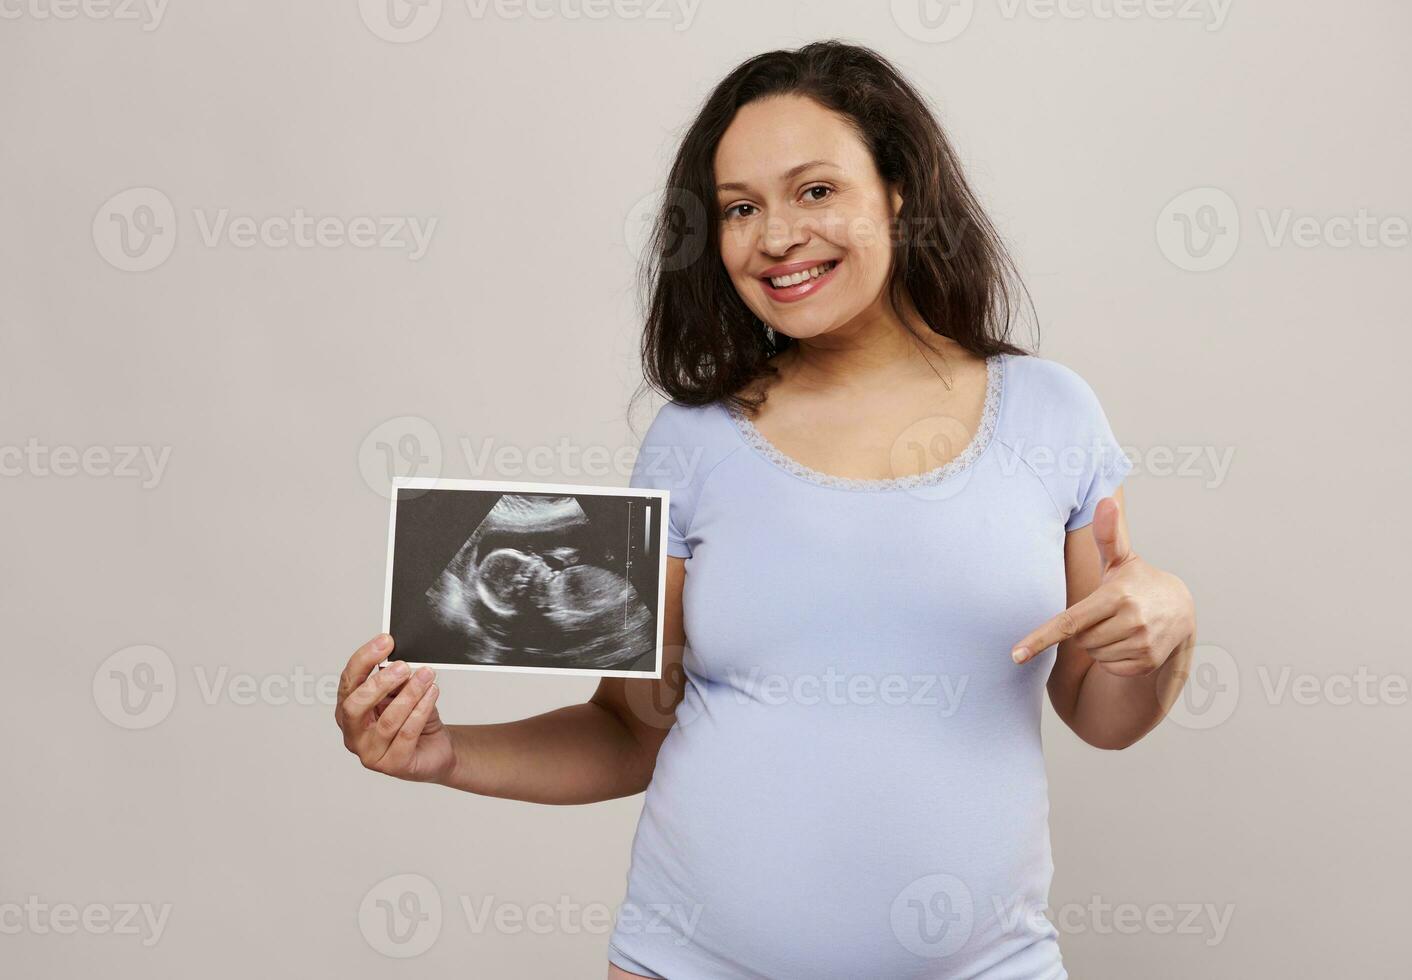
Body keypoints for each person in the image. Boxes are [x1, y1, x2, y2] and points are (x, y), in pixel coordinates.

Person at [335, 40, 1197, 979]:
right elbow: (629, 731)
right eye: (740, 208)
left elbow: (1103, 716)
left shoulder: (1050, 413)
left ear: (897, 188)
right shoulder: (691, 440)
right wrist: (443, 753)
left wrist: (1166, 629)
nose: (775, 236)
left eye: (815, 191)